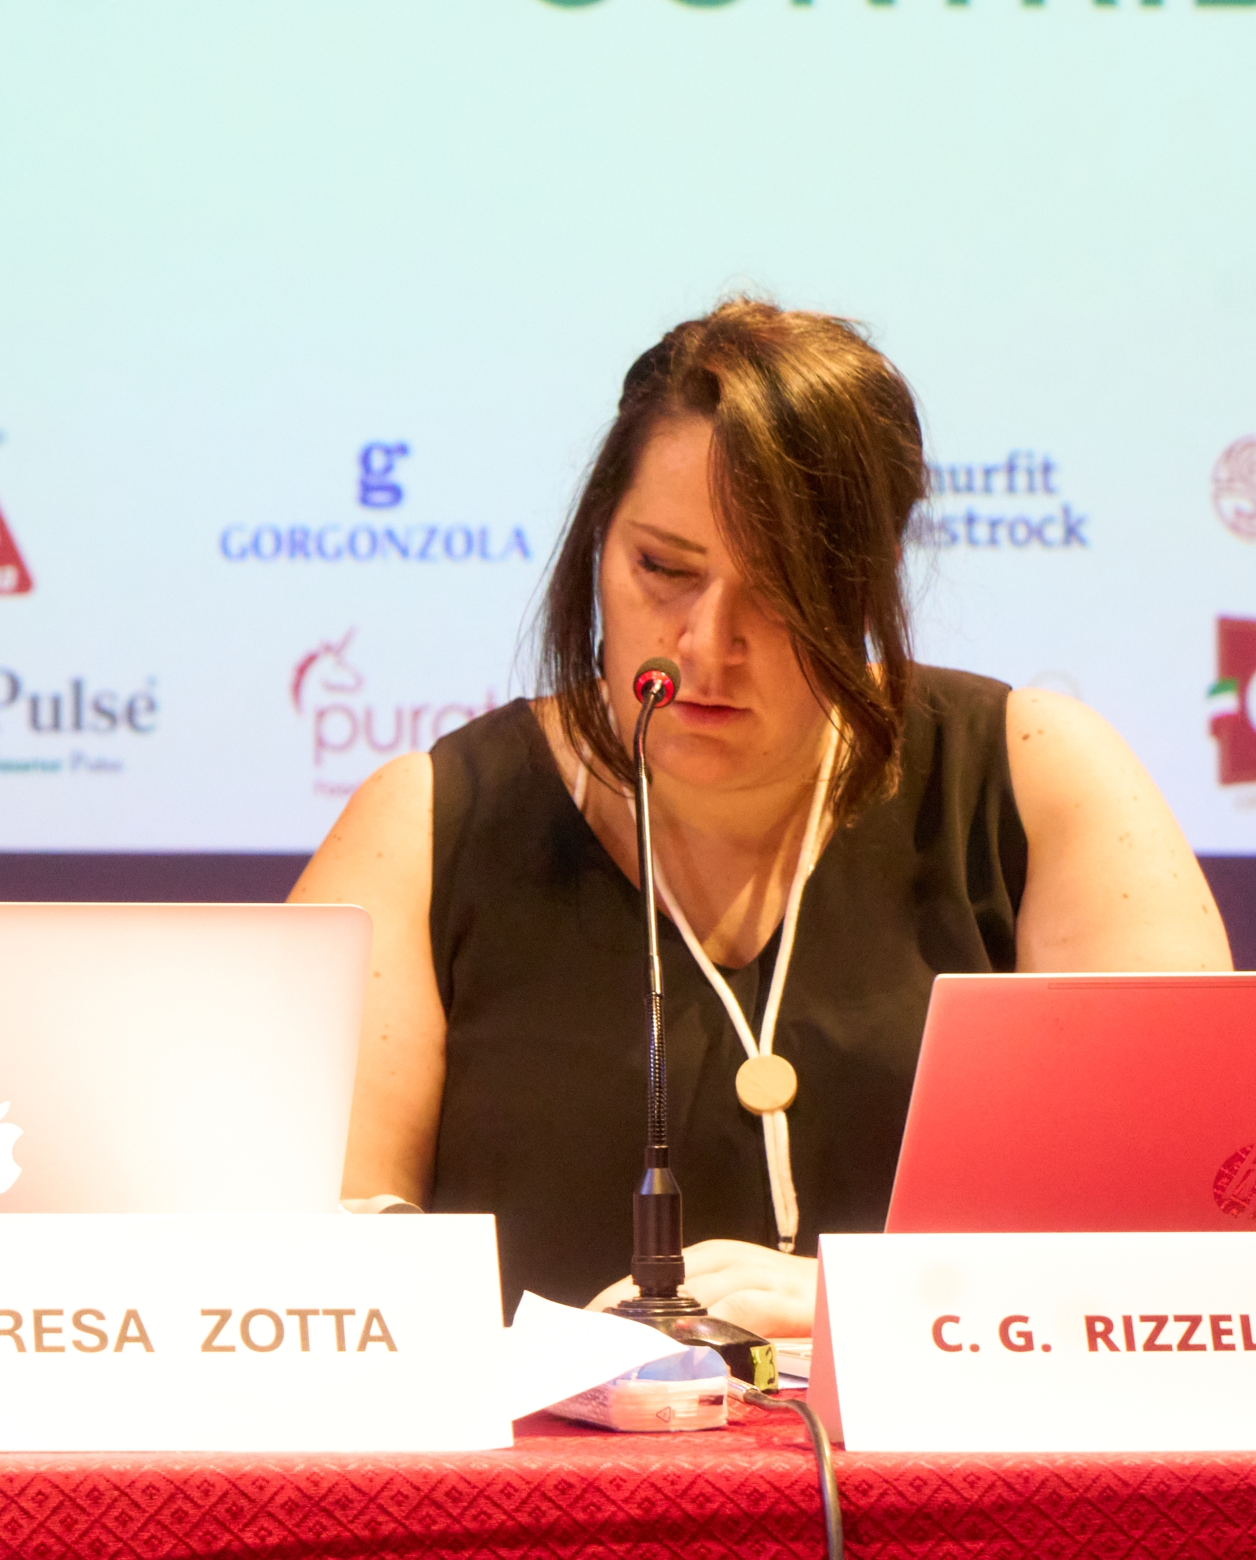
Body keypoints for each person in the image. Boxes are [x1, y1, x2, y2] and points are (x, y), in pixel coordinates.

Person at [293, 299, 1230, 1338]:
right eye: (663, 568)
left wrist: (859, 1311)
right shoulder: (424, 821)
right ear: (598, 542)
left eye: (780, 590)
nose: (705, 643)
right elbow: (298, 1283)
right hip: (540, 1447)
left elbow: (1198, 1260)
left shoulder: (1035, 774)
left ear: (870, 582)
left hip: (944, 1449)